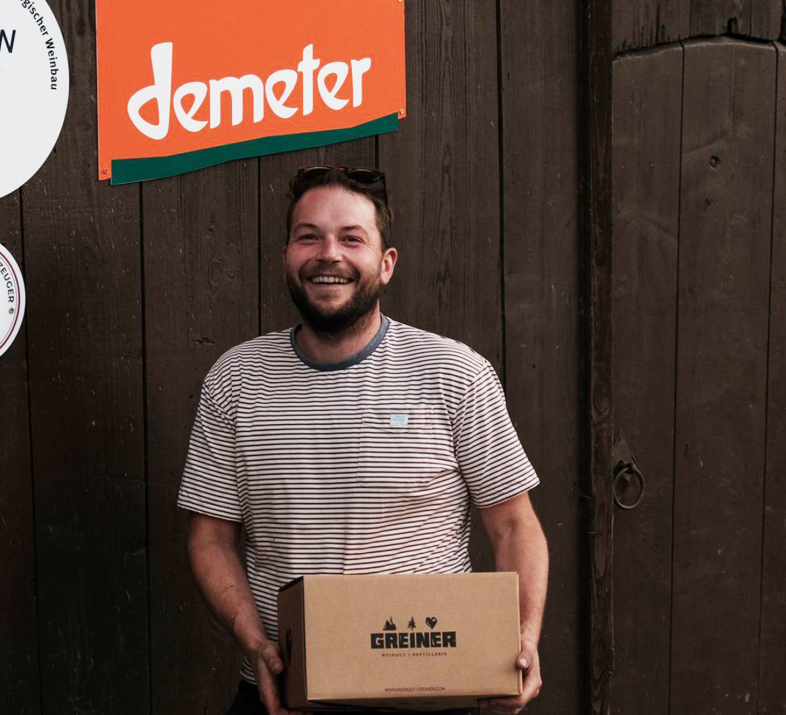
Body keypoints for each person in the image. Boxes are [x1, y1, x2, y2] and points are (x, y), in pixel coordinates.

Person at [178, 166, 548, 715]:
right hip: (284, 694)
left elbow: (514, 523)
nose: (329, 254)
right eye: (309, 236)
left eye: (352, 238)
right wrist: (255, 643)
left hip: (433, 692)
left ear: (386, 263)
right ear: (287, 254)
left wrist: (521, 640)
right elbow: (210, 539)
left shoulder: (453, 373)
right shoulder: (237, 379)